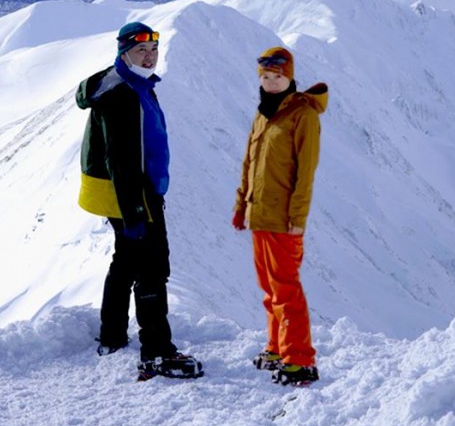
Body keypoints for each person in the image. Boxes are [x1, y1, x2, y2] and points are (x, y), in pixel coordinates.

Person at [76, 21, 203, 382]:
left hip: (127, 188)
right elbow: (123, 158)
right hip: (130, 191)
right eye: (140, 50)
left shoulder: (132, 81)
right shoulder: (122, 94)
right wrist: (133, 210)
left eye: (153, 50)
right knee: (152, 267)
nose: (149, 56)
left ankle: (112, 337)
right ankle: (156, 353)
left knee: (127, 260)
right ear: (123, 52)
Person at [231, 46, 327, 386]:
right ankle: (277, 347)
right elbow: (250, 163)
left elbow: (306, 172)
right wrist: (242, 205)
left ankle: (299, 359)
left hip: (284, 219)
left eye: (278, 77)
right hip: (260, 215)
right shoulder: (263, 114)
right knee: (270, 289)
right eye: (267, 77)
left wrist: (298, 218)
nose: (272, 83)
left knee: (287, 290)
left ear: (290, 77)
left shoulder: (303, 115)